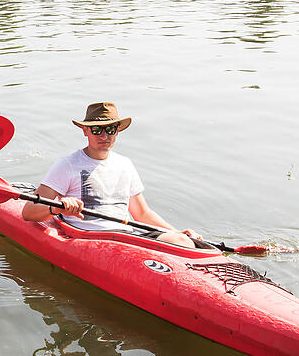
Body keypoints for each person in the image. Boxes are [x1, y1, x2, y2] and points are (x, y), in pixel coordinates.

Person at [21, 102, 201, 248]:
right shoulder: (67, 165)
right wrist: (58, 207)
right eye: (97, 129)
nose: (104, 136)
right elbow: (28, 212)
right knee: (179, 243)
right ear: (85, 131)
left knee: (183, 242)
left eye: (110, 129)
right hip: (90, 238)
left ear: (117, 131)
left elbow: (142, 213)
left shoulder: (125, 164)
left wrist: (177, 232)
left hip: (127, 234)